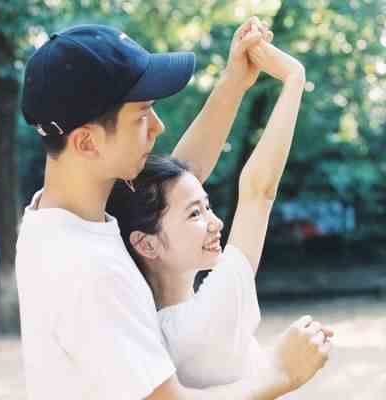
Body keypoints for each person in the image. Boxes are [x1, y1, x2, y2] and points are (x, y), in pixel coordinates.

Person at [15, 16, 318, 400]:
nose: (157, 126)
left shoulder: (61, 216)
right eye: (142, 115)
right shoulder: (88, 270)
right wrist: (280, 373)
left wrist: (234, 82)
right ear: (87, 143)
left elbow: (176, 183)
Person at [106, 41, 333, 394]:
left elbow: (185, 176)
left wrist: (235, 80)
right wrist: (293, 79)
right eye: (195, 214)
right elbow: (259, 192)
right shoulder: (205, 317)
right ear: (146, 244)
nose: (216, 223)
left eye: (208, 206)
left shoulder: (149, 327)